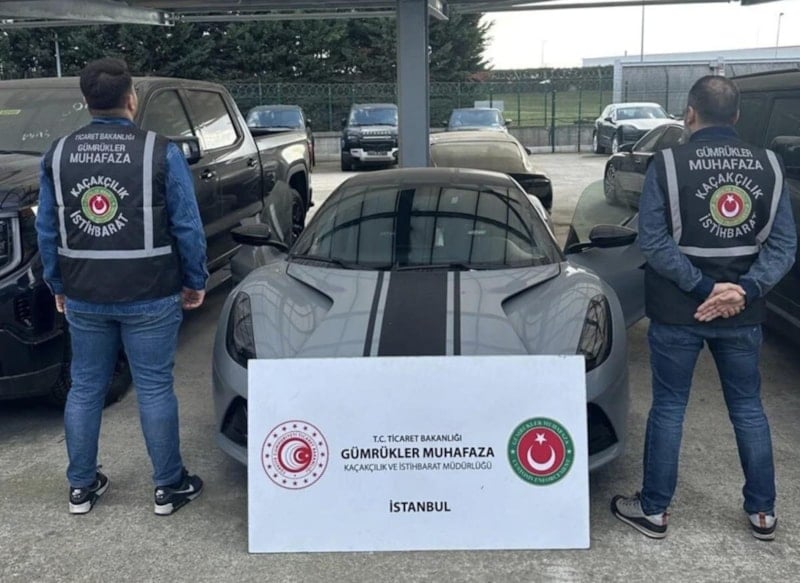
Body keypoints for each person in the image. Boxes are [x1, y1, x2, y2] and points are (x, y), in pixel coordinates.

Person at [610, 75, 796, 541]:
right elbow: (783, 246)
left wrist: (700, 286)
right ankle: (763, 513)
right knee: (748, 409)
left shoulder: (667, 164)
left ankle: (654, 511)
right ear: (737, 116)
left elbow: (653, 242)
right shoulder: (771, 165)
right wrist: (742, 291)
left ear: (689, 113)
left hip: (677, 311)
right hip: (742, 314)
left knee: (669, 407)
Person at [35, 58, 209, 516]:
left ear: (86, 101)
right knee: (154, 387)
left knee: (85, 387)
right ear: (131, 98)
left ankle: (81, 487)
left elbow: (47, 230)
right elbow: (187, 226)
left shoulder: (57, 154)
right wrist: (195, 279)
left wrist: (57, 283)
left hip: (84, 292)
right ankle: (169, 486)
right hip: (151, 291)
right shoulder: (160, 151)